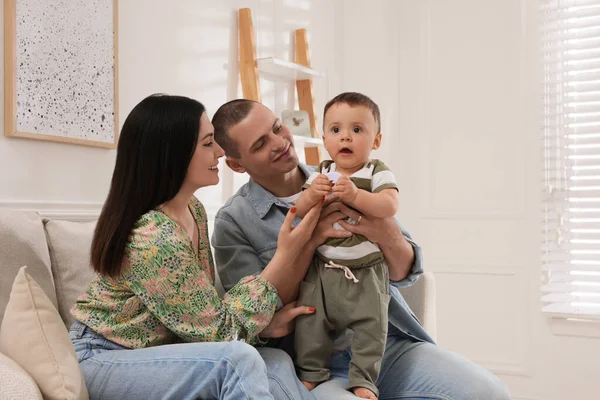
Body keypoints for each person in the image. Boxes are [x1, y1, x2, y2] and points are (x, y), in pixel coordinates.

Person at [211, 97, 512, 400]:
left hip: (385, 344)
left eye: (277, 127)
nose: (280, 142)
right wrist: (308, 243)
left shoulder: (346, 172)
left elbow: (405, 272)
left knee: (489, 392)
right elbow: (262, 319)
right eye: (261, 144)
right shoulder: (234, 221)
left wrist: (387, 232)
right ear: (237, 164)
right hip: (312, 363)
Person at [69, 93, 321, 400]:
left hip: (163, 347)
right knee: (237, 360)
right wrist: (286, 253)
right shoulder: (155, 239)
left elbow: (201, 314)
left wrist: (261, 327)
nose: (218, 151)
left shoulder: (194, 210)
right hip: (104, 356)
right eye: (207, 143)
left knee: (278, 361)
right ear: (173, 155)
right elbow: (221, 333)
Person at [292, 92, 399, 399]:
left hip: (366, 272)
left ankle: (364, 379)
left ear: (376, 141)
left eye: (357, 129)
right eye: (336, 130)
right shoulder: (322, 171)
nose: (345, 138)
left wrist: (355, 196)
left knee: (372, 328)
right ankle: (311, 372)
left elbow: (389, 206)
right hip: (323, 269)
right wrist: (313, 195)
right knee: (310, 324)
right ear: (324, 138)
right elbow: (299, 209)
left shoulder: (376, 171)